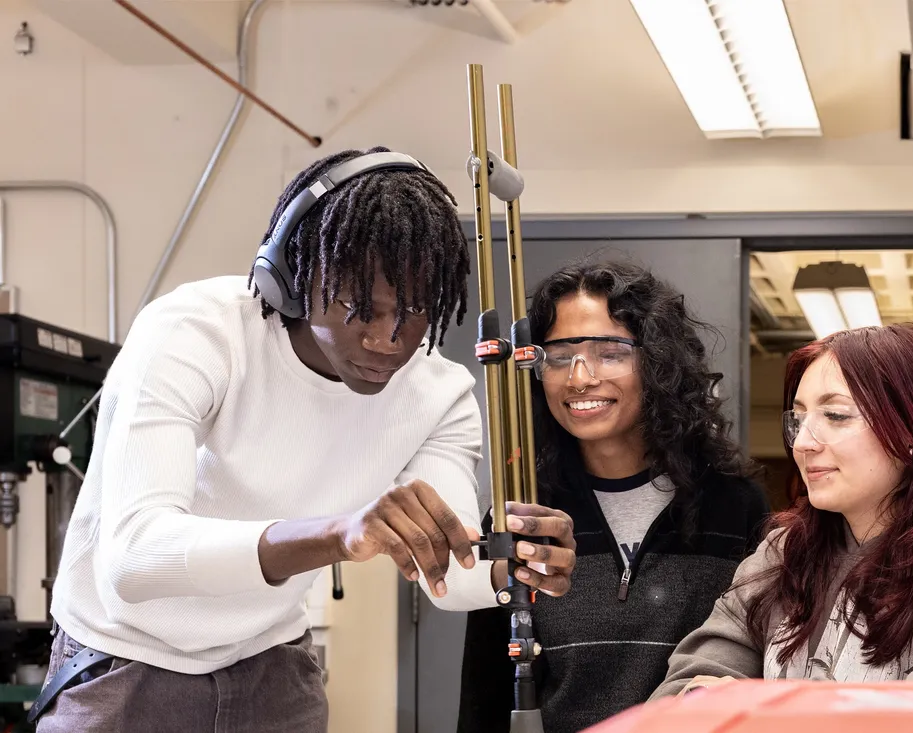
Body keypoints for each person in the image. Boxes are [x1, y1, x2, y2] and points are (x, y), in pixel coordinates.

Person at [32, 147, 577, 732]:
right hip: (124, 664)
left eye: (415, 312)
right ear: (291, 276)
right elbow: (134, 558)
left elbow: (449, 573)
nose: (387, 342)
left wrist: (511, 568)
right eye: (359, 307)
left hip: (271, 665)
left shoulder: (437, 396)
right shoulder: (196, 334)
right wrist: (337, 534)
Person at [649, 324, 913, 698]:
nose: (803, 442)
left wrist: (757, 705)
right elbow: (686, 688)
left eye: (836, 416)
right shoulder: (784, 550)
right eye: (798, 419)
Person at [457, 260, 770, 732]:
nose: (579, 377)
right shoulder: (523, 511)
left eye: (610, 353)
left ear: (658, 363)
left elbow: (761, 669)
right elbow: (485, 695)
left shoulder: (736, 505)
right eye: (559, 355)